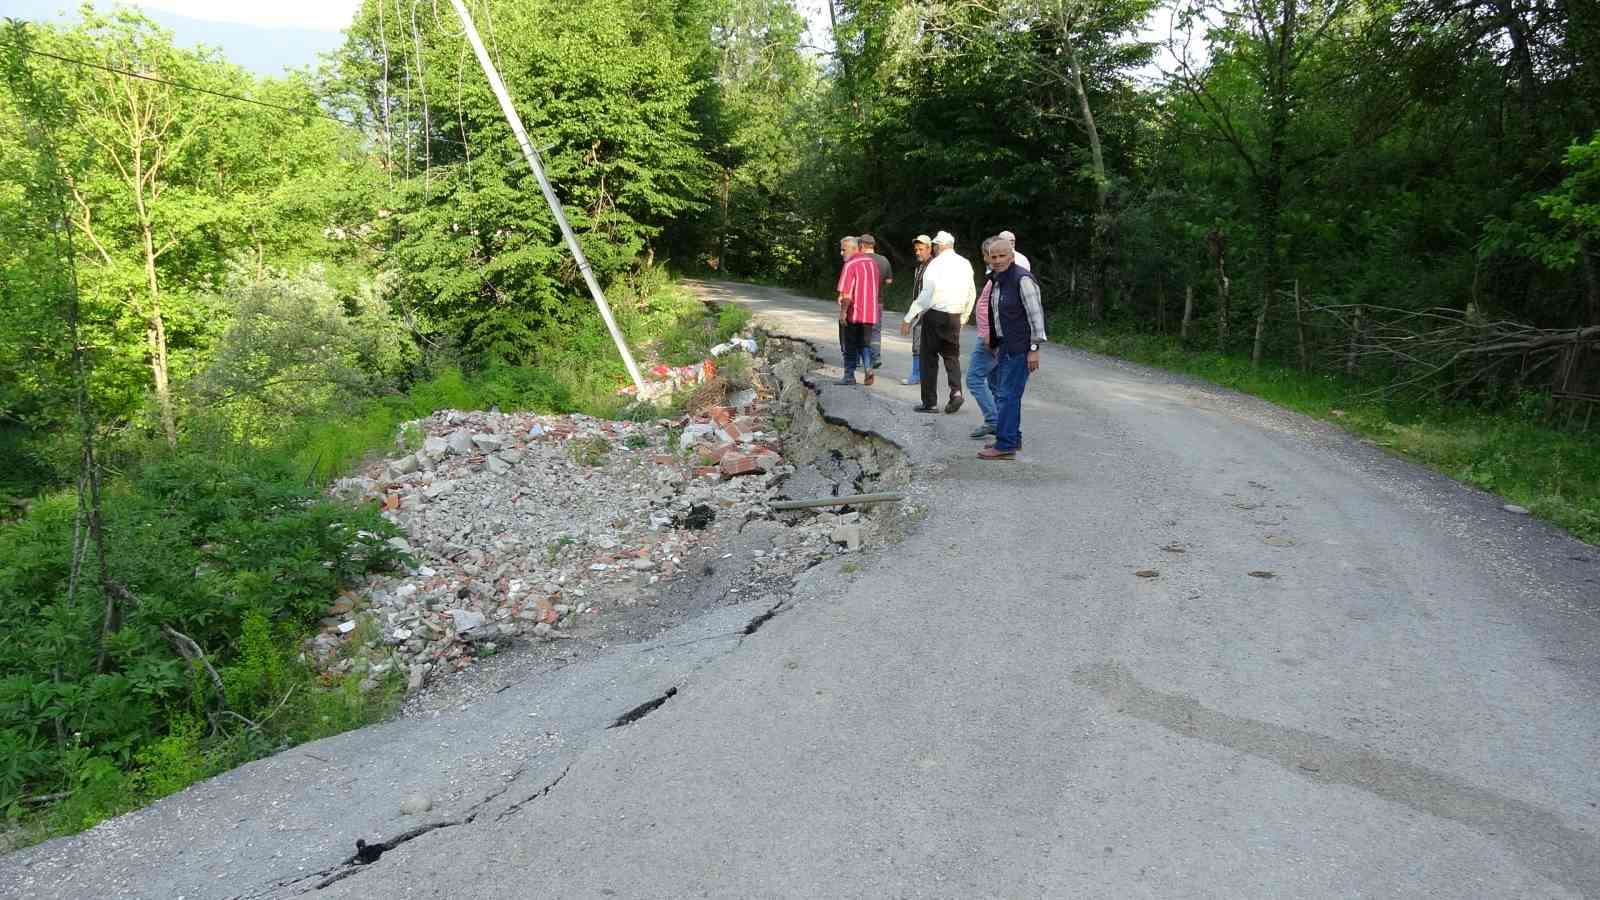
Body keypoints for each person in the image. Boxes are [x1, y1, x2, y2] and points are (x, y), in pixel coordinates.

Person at [979, 237, 1046, 460]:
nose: (997, 260)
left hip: (1021, 347)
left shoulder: (1022, 279)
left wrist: (1034, 349)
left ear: (1011, 255)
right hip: (1006, 346)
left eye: (1002, 256)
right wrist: (996, 343)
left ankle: (1005, 445)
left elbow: (1036, 316)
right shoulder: (998, 279)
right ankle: (1010, 438)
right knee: (1008, 395)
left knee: (1007, 395)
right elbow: (999, 316)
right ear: (988, 257)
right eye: (993, 256)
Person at [900, 230, 975, 413]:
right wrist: (964, 317)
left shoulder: (935, 265)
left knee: (928, 358)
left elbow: (926, 295)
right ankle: (956, 393)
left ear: (938, 246)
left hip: (935, 315)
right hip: (955, 316)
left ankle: (930, 402)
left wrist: (909, 317)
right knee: (951, 357)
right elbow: (971, 293)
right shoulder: (965, 264)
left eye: (933, 246)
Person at [835, 235, 881, 385]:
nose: (842, 253)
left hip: (854, 312)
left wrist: (843, 312)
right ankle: (868, 369)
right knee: (864, 344)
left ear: (854, 248)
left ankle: (849, 376)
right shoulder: (872, 263)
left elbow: (847, 294)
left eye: (844, 249)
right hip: (870, 313)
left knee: (850, 344)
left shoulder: (850, 264)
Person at [966, 237, 1001, 439]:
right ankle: (999, 422)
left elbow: (996, 309)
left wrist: (988, 335)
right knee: (994, 382)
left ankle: (993, 420)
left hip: (990, 337)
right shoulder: (994, 275)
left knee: (974, 379)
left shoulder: (1000, 276)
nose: (989, 258)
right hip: (991, 335)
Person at [901, 235, 933, 385]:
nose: (918, 252)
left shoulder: (933, 267)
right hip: (919, 310)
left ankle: (920, 375)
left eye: (921, 249)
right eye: (916, 250)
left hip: (929, 311)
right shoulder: (919, 266)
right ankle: (917, 374)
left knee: (925, 345)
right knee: (918, 344)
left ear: (929, 249)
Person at [859, 234, 892, 372]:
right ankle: (876, 356)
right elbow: (889, 281)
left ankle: (862, 360)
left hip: (862, 301)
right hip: (878, 301)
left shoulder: (860, 259)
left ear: (862, 245)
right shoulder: (884, 260)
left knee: (861, 331)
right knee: (876, 330)